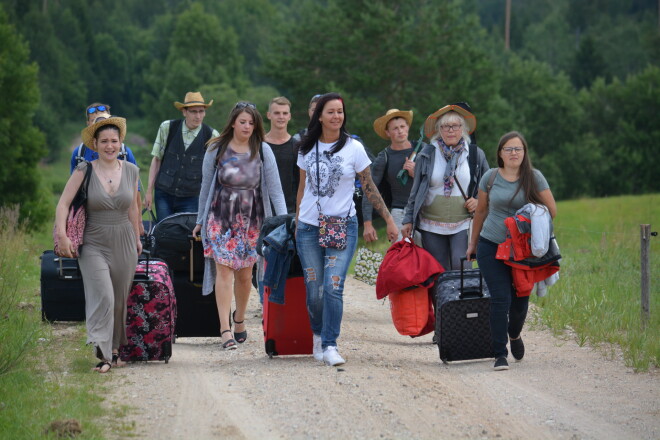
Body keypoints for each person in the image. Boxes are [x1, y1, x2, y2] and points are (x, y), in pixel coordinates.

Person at [296, 92, 398, 366]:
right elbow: (302, 188)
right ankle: (317, 335)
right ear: (319, 115)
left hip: (343, 225)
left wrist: (387, 219)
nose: (337, 116)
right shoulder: (306, 147)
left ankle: (330, 344)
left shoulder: (354, 148)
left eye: (340, 111)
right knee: (314, 288)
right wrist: (297, 221)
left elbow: (369, 186)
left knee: (333, 286)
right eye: (331, 111)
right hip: (308, 227)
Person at [192, 102, 286, 350]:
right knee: (224, 271)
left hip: (252, 220)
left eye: (252, 122)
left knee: (245, 275)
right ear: (233, 122)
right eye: (243, 121)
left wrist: (285, 223)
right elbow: (205, 187)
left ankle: (240, 319)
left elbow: (276, 191)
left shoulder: (263, 150)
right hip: (220, 218)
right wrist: (200, 220)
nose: (247, 126)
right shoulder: (216, 149)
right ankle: (224, 329)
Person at [54, 116, 142, 373]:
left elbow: (133, 209)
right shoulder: (84, 170)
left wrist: (137, 237)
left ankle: (115, 350)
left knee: (118, 300)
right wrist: (62, 234)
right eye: (104, 141)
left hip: (124, 240)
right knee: (103, 295)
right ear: (95, 144)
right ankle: (103, 354)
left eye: (114, 141)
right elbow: (63, 204)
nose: (109, 146)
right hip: (93, 241)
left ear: (121, 143)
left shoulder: (132, 171)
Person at [466, 131, 557, 371]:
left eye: (518, 149)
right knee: (500, 298)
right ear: (500, 154)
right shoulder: (491, 177)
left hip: (522, 251)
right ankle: (499, 353)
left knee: (520, 302)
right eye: (509, 149)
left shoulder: (534, 178)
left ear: (524, 153)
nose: (514, 153)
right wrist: (472, 244)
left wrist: (529, 214)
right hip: (491, 245)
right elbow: (481, 211)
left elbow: (552, 211)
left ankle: (514, 334)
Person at [401, 103, 489, 271]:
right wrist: (408, 219)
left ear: (463, 129)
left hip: (463, 222)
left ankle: (462, 298)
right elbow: (416, 190)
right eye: (445, 126)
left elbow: (489, 185)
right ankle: (441, 298)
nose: (450, 130)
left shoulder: (475, 154)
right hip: (430, 223)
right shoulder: (426, 154)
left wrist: (478, 201)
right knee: (437, 270)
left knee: (461, 266)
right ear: (438, 130)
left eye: (455, 126)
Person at [145, 91, 219, 221]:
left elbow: (214, 172)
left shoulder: (212, 135)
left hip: (192, 197)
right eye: (193, 112)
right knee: (164, 233)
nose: (198, 116)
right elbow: (157, 160)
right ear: (184, 112)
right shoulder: (167, 127)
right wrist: (149, 191)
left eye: (201, 111)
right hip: (164, 193)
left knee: (185, 238)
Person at [363, 109, 421, 243]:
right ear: (388, 133)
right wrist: (368, 223)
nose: (400, 131)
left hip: (425, 212)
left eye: (402, 126)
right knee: (403, 259)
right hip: (399, 214)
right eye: (395, 128)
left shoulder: (423, 149)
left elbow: (438, 181)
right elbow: (369, 189)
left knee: (429, 259)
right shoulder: (384, 157)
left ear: (408, 127)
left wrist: (415, 173)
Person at [69, 103, 140, 174]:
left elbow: (135, 182)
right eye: (94, 120)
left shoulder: (125, 152)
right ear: (88, 124)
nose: (99, 124)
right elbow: (74, 182)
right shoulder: (79, 153)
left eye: (102, 119)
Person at [265, 96, 298, 213]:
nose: (281, 117)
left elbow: (300, 184)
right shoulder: (258, 145)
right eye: (277, 113)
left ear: (289, 116)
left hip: (289, 212)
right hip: (261, 210)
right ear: (269, 115)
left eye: (285, 113)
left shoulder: (297, 146)